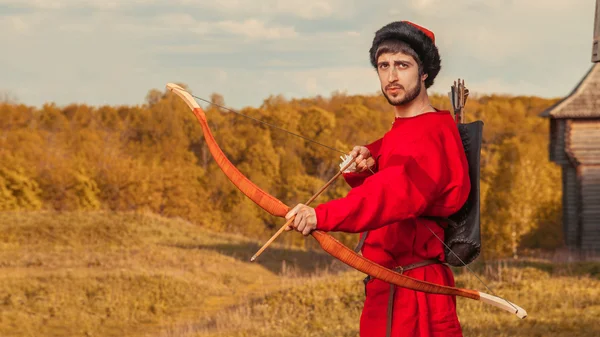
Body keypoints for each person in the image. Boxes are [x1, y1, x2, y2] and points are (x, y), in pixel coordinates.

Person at [284, 21, 470, 337]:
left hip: (417, 297)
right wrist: (368, 162)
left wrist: (320, 215)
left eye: (402, 65)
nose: (391, 76)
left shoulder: (434, 132)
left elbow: (394, 192)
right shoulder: (402, 130)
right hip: (387, 290)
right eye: (383, 65)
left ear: (424, 72)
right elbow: (388, 172)